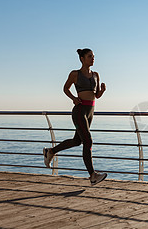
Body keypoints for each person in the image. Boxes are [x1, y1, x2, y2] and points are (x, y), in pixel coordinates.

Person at [43, 48, 107, 185]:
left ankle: (51, 151)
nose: (93, 58)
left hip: (90, 111)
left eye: (94, 56)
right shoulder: (75, 74)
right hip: (79, 111)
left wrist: (102, 91)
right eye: (90, 56)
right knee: (88, 141)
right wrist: (73, 98)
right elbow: (65, 88)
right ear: (82, 59)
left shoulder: (96, 75)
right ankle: (93, 175)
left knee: (77, 141)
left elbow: (96, 96)